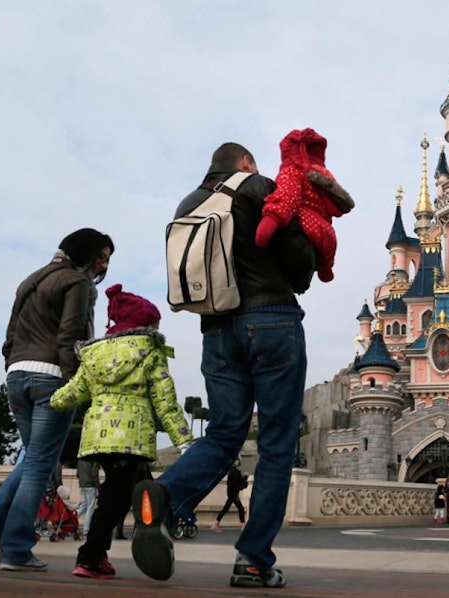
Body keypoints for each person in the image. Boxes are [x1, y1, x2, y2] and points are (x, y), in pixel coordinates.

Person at [130, 142, 316, 588]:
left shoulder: (188, 203)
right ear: (246, 162)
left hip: (215, 330)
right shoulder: (257, 187)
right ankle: (252, 560)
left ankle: (166, 493)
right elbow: (301, 267)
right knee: (275, 443)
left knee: (224, 432)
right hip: (271, 321)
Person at [0, 228, 114, 572]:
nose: (102, 266)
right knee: (39, 465)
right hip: (50, 375)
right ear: (87, 254)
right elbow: (71, 336)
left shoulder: (30, 280)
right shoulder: (77, 284)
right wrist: (76, 384)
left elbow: (10, 335)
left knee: (34, 456)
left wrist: (11, 368)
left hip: (17, 374)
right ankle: (16, 549)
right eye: (102, 258)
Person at [50, 284, 193, 579]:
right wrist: (184, 440)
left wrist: (51, 402)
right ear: (146, 324)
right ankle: (91, 557)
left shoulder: (93, 354)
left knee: (141, 486)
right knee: (116, 498)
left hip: (98, 438)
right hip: (133, 437)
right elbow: (165, 402)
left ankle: (150, 532)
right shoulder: (151, 351)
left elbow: (74, 392)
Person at [254, 128, 354, 282]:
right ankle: (325, 268)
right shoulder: (323, 180)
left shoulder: (293, 171)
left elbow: (287, 198)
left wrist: (270, 220)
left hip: (305, 227)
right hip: (327, 237)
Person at [212, 459, 249, 533]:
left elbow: (236, 482)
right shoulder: (234, 472)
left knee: (227, 508)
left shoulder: (231, 471)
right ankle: (243, 525)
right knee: (239, 508)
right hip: (234, 494)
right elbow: (237, 483)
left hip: (232, 493)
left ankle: (216, 523)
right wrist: (245, 478)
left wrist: (244, 479)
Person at [76, 460, 101, 537]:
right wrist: (98, 486)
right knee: (90, 508)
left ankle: (69, 520)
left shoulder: (80, 460)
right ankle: (86, 530)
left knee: (83, 506)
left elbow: (77, 474)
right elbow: (94, 474)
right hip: (91, 485)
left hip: (82, 484)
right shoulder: (94, 460)